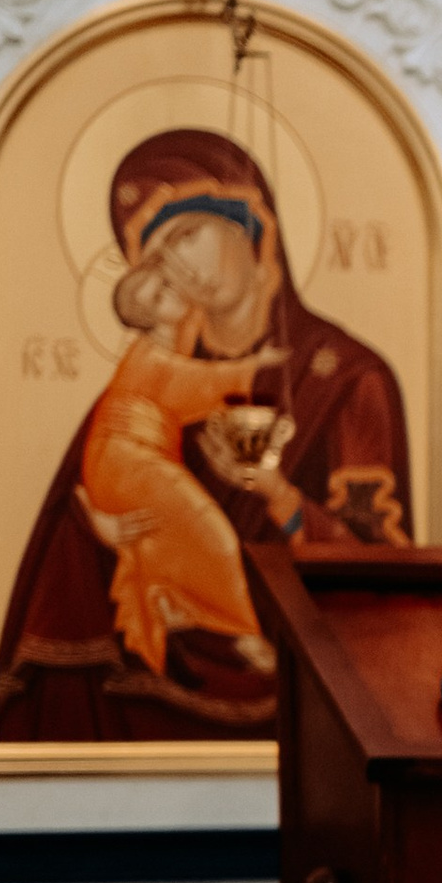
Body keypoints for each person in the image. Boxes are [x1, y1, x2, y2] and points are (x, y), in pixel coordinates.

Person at [0, 130, 412, 741]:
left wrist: (277, 494)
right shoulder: (144, 387)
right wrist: (95, 527)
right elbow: (75, 522)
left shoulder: (345, 379)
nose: (182, 268)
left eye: (187, 235)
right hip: (146, 699)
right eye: (159, 258)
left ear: (251, 221)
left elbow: (388, 574)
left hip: (311, 693)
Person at [80, 253, 284, 680]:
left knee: (174, 539)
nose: (172, 292)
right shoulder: (150, 356)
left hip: (134, 458)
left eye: (166, 285)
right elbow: (199, 384)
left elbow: (190, 381)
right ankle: (245, 632)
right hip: (125, 458)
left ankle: (170, 600)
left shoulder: (171, 341)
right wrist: (257, 365)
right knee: (214, 534)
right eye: (160, 294)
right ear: (148, 317)